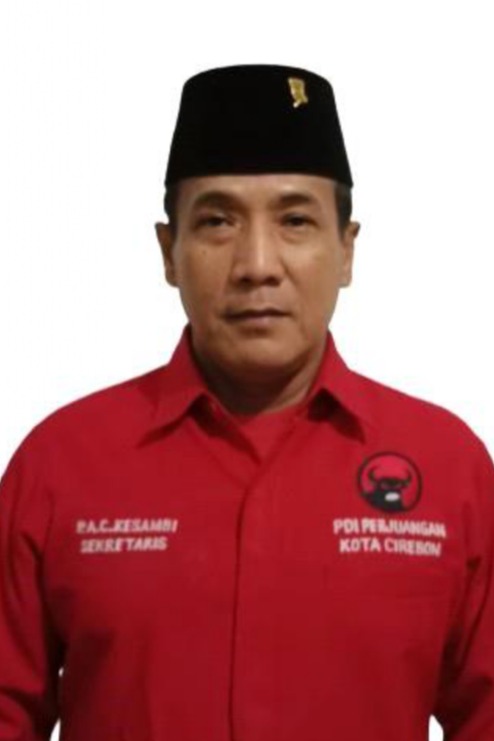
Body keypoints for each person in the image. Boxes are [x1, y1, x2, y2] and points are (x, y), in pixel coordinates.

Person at [0, 63, 493, 741]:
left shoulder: (450, 469)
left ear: (346, 251)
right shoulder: (59, 464)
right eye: (217, 221)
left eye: (295, 220)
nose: (257, 263)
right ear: (168, 251)